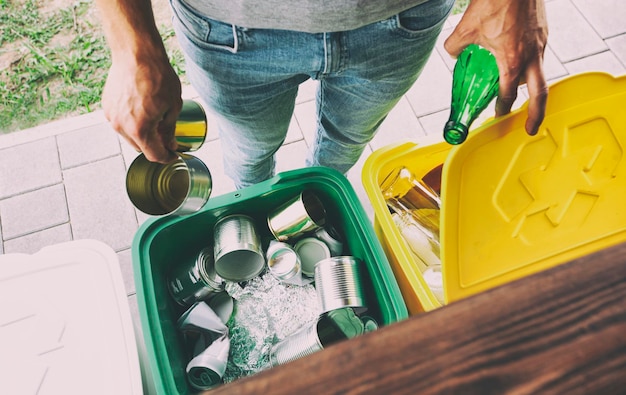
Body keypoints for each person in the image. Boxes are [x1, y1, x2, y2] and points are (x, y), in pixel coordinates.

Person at [96, 0, 548, 189]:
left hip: (401, 19)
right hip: (229, 31)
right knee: (250, 154)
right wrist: (129, 40)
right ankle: (256, 205)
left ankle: (321, 199)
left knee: (344, 145)